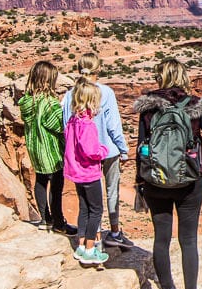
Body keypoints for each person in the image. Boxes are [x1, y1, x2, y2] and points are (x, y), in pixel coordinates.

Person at [133, 58, 202, 289]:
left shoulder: (148, 107)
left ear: (160, 77)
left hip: (155, 182)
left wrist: (140, 182)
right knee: (188, 240)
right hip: (189, 182)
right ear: (183, 77)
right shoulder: (195, 106)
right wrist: (198, 149)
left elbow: (141, 147)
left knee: (161, 239)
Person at [62, 53, 133, 249]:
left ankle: (95, 238)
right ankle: (115, 233)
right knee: (111, 192)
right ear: (98, 70)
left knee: (89, 201)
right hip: (107, 150)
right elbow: (113, 126)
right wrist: (123, 149)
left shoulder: (70, 94)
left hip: (81, 157)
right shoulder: (106, 92)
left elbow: (66, 126)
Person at [18, 61, 77, 235]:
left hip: (35, 148)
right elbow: (59, 125)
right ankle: (59, 222)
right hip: (51, 151)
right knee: (56, 186)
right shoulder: (49, 103)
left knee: (41, 181)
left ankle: (45, 219)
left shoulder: (26, 101)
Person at [64, 77, 110, 266]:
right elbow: (91, 151)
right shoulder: (87, 125)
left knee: (84, 208)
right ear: (92, 102)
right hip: (88, 172)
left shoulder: (73, 120)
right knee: (96, 210)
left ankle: (81, 246)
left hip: (76, 172)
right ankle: (91, 250)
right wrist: (103, 150)